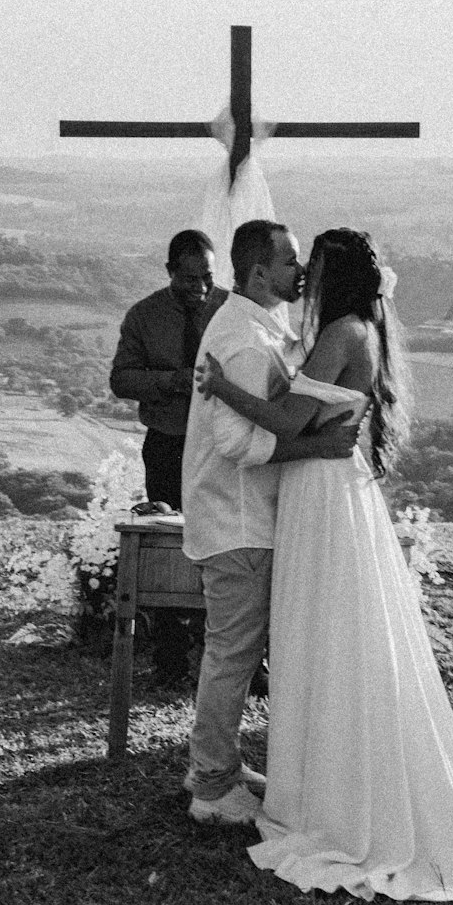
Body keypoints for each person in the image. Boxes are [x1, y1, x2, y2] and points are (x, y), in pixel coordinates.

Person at [195, 227, 453, 905]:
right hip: (329, 489)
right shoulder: (356, 329)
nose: (303, 275)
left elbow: (287, 420)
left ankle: (328, 794)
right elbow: (309, 417)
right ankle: (316, 781)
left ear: (332, 275)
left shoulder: (342, 333)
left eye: (310, 265)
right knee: (333, 638)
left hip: (322, 494)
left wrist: (224, 388)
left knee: (327, 637)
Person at [181, 219, 359, 825]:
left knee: (238, 650)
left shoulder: (256, 325)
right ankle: (210, 786)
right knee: (232, 653)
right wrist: (315, 448)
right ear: (259, 273)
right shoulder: (246, 341)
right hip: (238, 522)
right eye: (289, 263)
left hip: (245, 519)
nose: (299, 271)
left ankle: (221, 766)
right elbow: (234, 442)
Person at [110, 229, 227, 683]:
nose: (199, 287)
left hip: (219, 445)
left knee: (223, 542)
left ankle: (229, 650)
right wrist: (172, 381)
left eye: (207, 277)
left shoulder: (229, 308)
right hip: (168, 443)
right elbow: (121, 380)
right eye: (189, 278)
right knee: (168, 543)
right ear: (169, 271)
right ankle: (170, 656)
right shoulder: (144, 315)